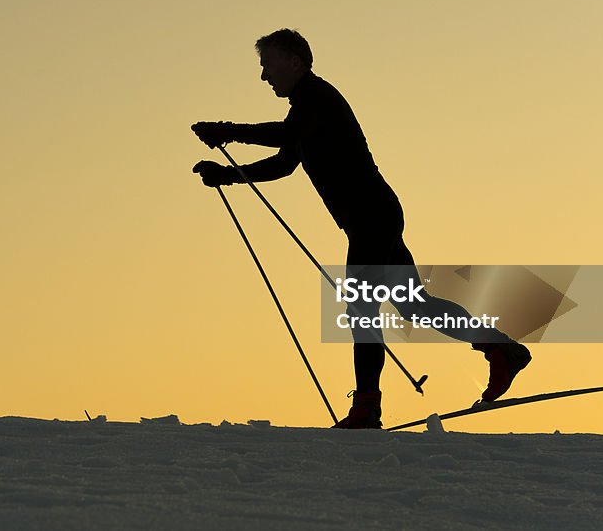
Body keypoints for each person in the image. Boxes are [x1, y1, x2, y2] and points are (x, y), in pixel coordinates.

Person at [191, 28, 531, 429]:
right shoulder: (305, 107)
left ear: (295, 62)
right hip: (376, 216)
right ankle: (501, 348)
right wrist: (229, 176)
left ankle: (367, 407)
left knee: (362, 310)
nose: (264, 76)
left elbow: (285, 136)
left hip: (372, 218)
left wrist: (228, 130)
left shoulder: (317, 98)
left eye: (268, 65)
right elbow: (284, 162)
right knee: (413, 305)